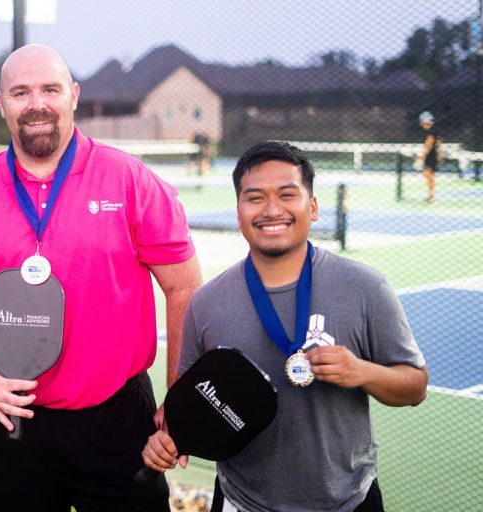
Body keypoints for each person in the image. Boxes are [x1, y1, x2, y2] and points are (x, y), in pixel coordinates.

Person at [0, 44, 202, 511]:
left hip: (115, 423)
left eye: (50, 89)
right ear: (1, 103)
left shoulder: (129, 180)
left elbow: (183, 286)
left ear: (73, 95)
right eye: (20, 92)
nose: (37, 104)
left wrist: (180, 395)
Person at [142, 141, 428, 512]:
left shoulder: (366, 288)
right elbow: (191, 405)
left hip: (348, 501)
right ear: (239, 212)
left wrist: (362, 372)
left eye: (287, 194)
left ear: (313, 207)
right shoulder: (207, 302)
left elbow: (415, 387)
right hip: (241, 502)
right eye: (255, 198)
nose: (272, 209)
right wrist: (165, 442)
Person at [416, 110, 443, 203]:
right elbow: (439, 143)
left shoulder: (431, 132)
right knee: (428, 174)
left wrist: (422, 156)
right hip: (433, 155)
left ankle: (431, 196)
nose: (421, 124)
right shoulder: (434, 131)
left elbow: (428, 145)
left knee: (428, 174)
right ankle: (430, 195)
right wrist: (440, 154)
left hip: (431, 156)